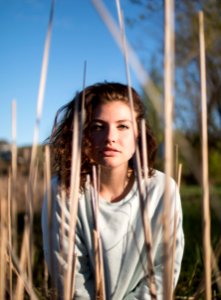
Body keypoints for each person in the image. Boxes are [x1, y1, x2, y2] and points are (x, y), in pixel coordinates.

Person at [42, 82, 184, 299]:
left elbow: (164, 270)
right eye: (98, 126)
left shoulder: (162, 190)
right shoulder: (63, 191)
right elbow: (70, 279)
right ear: (82, 133)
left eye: (123, 126)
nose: (110, 137)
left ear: (138, 133)